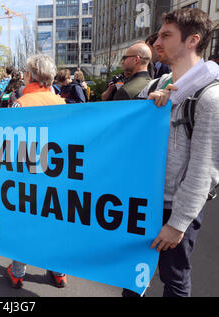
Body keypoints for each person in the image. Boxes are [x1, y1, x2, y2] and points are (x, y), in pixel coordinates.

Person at [124, 7, 219, 297]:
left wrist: (178, 224)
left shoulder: (210, 98)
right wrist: (146, 109)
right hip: (142, 203)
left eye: (166, 36)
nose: (156, 43)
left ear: (192, 40)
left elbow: (204, 171)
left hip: (173, 209)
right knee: (132, 274)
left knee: (174, 280)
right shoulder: (154, 86)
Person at [8, 54, 67, 289]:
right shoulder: (61, 103)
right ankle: (58, 271)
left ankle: (19, 271)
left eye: (25, 72)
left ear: (31, 75)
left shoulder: (20, 104)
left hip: (26, 176)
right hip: (56, 175)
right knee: (54, 222)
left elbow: (8, 143)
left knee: (24, 224)